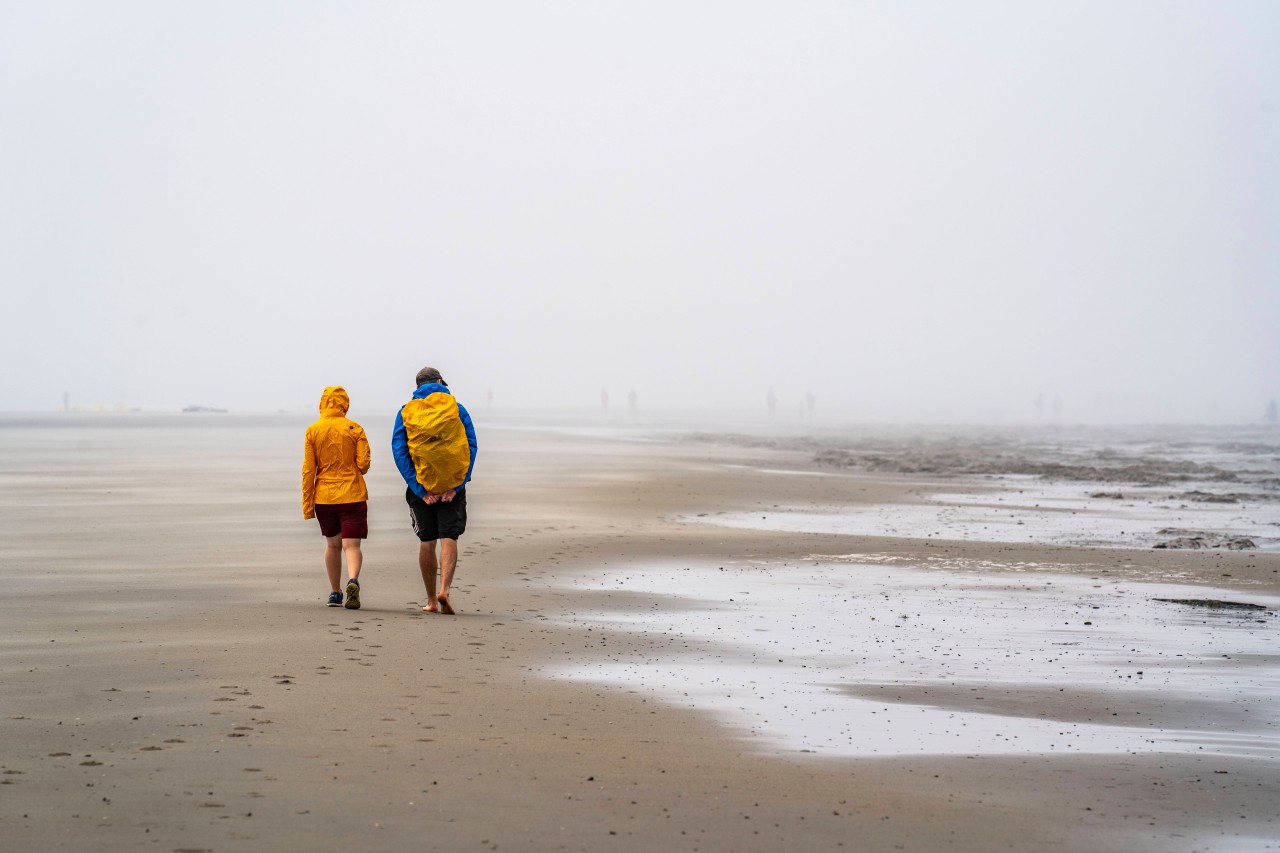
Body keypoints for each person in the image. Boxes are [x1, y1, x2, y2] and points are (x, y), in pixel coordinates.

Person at [392, 367, 477, 615]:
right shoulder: (457, 408)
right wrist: (457, 485)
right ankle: (445, 591)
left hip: (423, 489)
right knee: (449, 537)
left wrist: (419, 489)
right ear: (440, 381)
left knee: (427, 541)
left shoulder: (406, 412)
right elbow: (471, 446)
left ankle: (431, 600)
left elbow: (399, 451)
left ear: (417, 386)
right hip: (451, 486)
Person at [302, 386, 371, 609]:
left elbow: (308, 470)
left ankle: (334, 592)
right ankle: (353, 580)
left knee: (332, 545)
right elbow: (364, 464)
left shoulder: (313, 430)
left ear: (322, 403)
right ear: (344, 403)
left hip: (324, 497)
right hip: (352, 493)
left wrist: (307, 506)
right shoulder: (354, 428)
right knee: (351, 546)